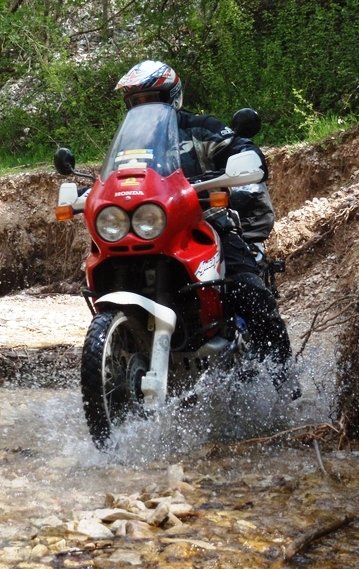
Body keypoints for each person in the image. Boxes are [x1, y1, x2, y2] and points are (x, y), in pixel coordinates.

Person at [114, 60, 297, 394]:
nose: (144, 107)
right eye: (136, 101)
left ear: (171, 97)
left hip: (205, 225)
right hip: (151, 234)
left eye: (151, 98)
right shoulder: (130, 147)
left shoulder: (199, 128)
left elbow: (240, 148)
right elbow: (113, 179)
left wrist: (243, 165)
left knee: (249, 291)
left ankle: (286, 384)